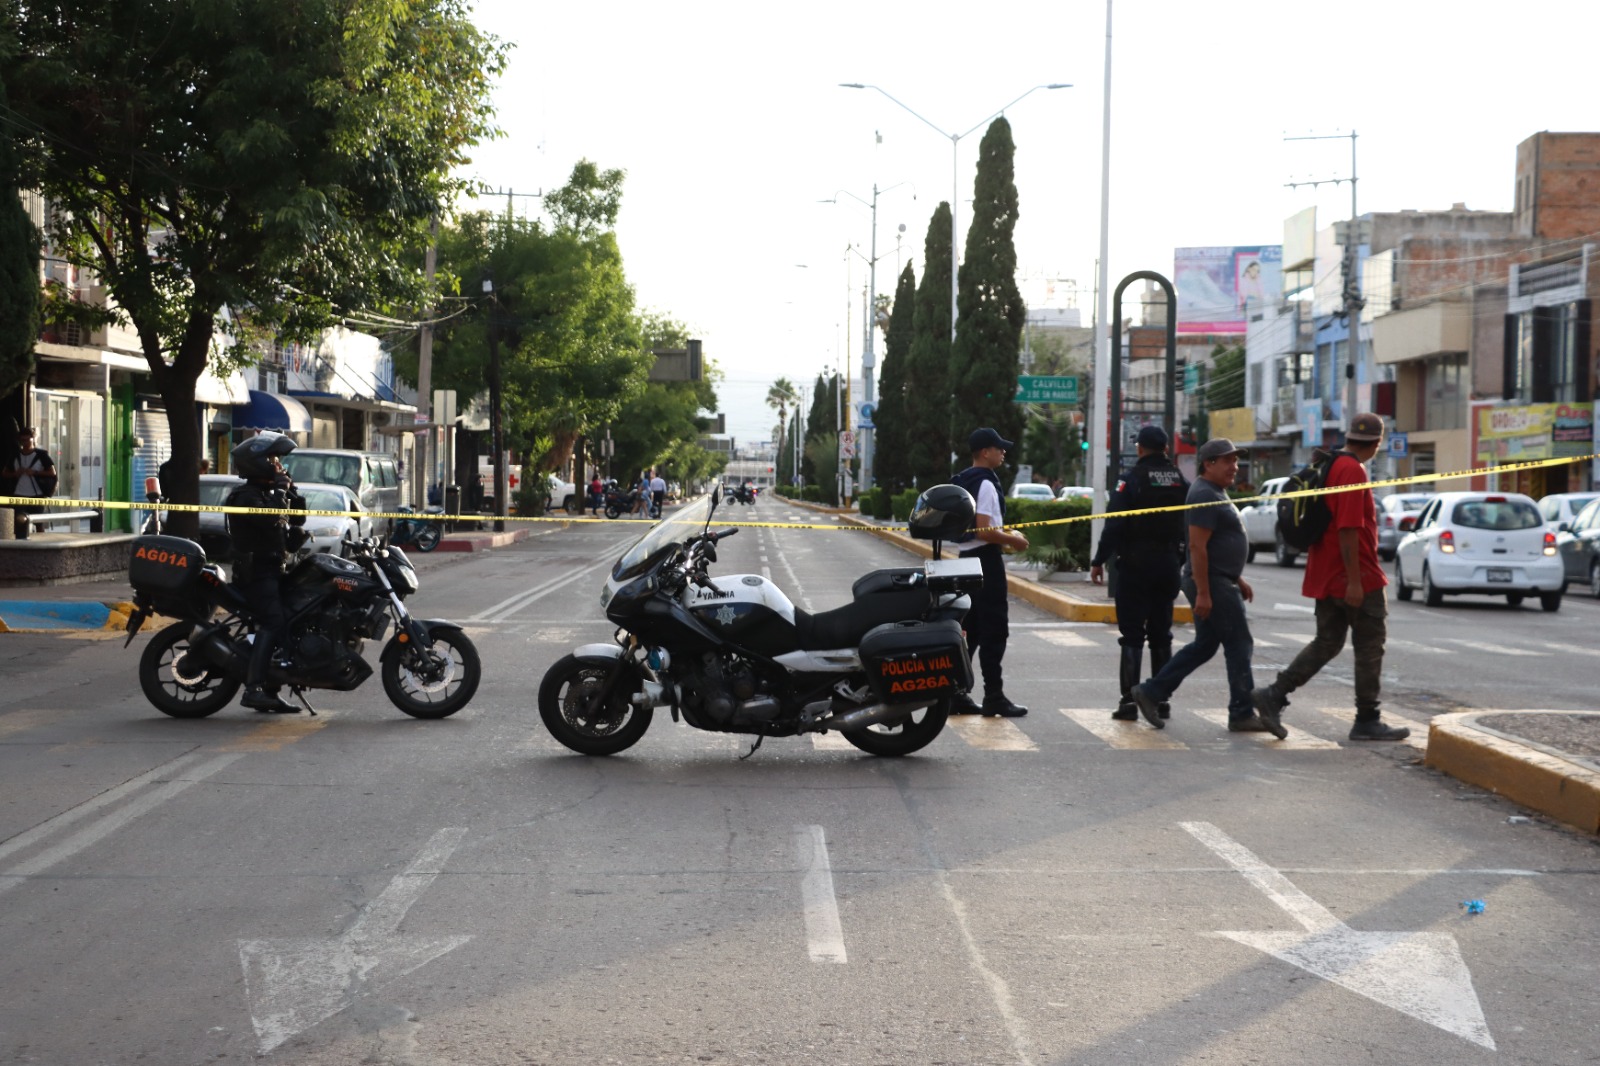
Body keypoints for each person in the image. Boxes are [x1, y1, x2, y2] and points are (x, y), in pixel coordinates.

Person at [1251, 413, 1410, 742]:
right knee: (1369, 646)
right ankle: (1367, 718)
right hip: (1356, 574)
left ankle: (1274, 694)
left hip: (1326, 569)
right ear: (1378, 443)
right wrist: (1355, 581)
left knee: (1327, 642)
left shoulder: (1331, 463)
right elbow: (1348, 528)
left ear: (1349, 436)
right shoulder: (1352, 470)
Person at [1132, 438, 1279, 736]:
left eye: (1235, 461)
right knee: (1240, 643)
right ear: (1208, 464)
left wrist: (1237, 577)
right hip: (1210, 581)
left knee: (1205, 645)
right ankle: (1240, 712)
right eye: (1227, 461)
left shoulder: (1214, 492)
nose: (1234, 467)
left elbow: (1216, 544)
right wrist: (1204, 592)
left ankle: (1151, 691)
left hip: (1220, 579)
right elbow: (1198, 548)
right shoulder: (1202, 494)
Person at [1090, 425, 1189, 721]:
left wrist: (1099, 560)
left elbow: (1115, 524)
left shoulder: (1130, 480)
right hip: (1168, 565)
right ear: (1167, 449)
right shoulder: (1180, 480)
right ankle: (1159, 699)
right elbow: (1188, 521)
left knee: (1132, 635)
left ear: (1141, 449)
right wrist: (1178, 557)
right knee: (1162, 635)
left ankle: (1129, 701)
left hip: (1136, 566)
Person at [949, 427, 1030, 717]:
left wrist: (1003, 533)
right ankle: (994, 696)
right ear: (985, 452)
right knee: (995, 630)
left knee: (971, 630)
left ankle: (956, 693)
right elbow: (985, 529)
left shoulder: (964, 480)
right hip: (985, 562)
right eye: (998, 448)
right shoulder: (984, 483)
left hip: (965, 561)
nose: (1003, 452)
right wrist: (1014, 539)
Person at [225, 432, 308, 714]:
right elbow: (269, 518)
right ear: (257, 463)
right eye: (272, 459)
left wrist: (291, 490)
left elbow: (297, 518)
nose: (277, 465)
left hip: (274, 571)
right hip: (256, 575)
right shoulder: (245, 496)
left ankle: (272, 689)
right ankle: (255, 689)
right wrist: (280, 491)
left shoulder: (266, 493)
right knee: (273, 622)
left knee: (291, 622)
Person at [2, 427, 57, 540]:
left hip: (37, 494)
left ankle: (41, 544)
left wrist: (35, 472)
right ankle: (21, 543)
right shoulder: (15, 455)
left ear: (33, 439)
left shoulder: (41, 455)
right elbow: (5, 473)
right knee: (19, 522)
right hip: (18, 494)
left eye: (27, 440)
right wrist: (15, 474)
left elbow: (52, 472)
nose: (25, 443)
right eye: (22, 440)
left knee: (39, 523)